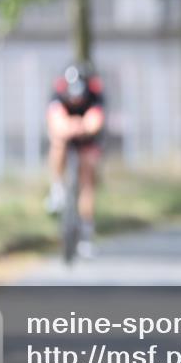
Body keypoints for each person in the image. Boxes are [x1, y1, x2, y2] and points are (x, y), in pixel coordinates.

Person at [45, 61, 105, 258]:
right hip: (68, 134)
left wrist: (84, 126)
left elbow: (95, 122)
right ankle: (57, 187)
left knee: (87, 178)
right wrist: (71, 126)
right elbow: (56, 122)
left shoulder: (95, 92)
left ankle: (86, 234)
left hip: (87, 139)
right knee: (58, 143)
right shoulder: (58, 93)